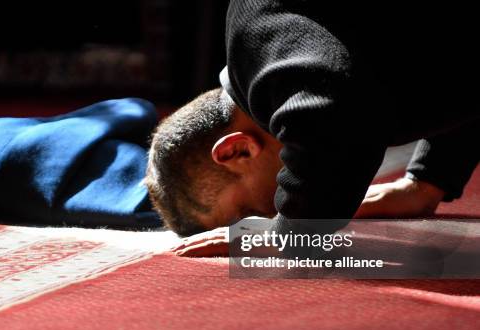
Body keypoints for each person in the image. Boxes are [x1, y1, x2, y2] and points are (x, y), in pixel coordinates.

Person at [145, 0, 479, 255]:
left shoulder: (275, 58)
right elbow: (439, 63)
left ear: (237, 150)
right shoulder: (268, 42)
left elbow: (335, 120)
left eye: (245, 215)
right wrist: (427, 182)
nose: (262, 217)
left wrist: (287, 232)